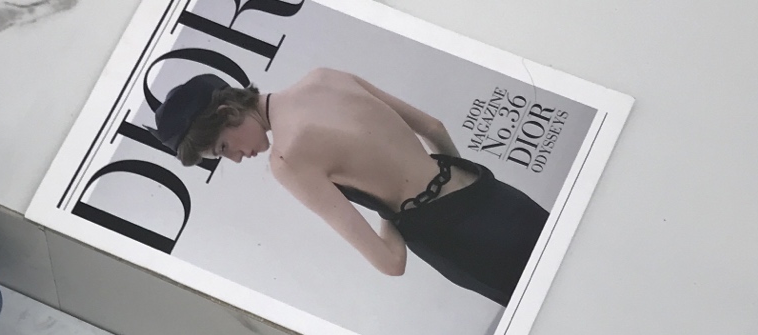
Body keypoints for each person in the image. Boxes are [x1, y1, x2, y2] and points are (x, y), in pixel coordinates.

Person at [155, 69, 549, 308]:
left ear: (227, 113)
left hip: (459, 241)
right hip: (490, 192)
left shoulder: (287, 160)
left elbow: (390, 262)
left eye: (223, 148)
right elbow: (434, 128)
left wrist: (394, 209)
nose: (237, 159)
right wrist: (455, 184)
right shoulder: (324, 78)